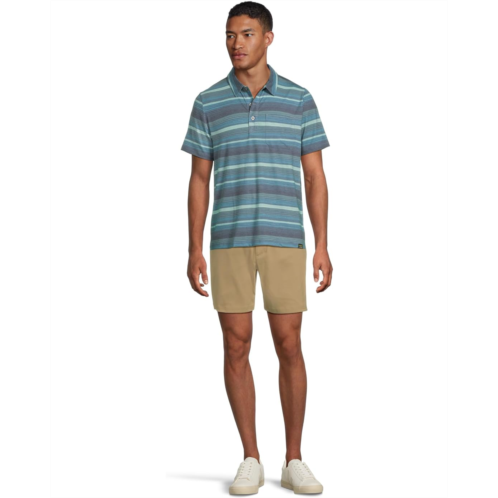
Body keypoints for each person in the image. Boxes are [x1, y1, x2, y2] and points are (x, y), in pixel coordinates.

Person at [181, 2, 332, 494]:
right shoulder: (208, 102)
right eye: (230, 35)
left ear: (268, 37)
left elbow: (315, 176)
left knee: (289, 344)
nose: (236, 43)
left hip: (285, 236)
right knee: (235, 344)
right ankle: (250, 456)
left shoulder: (299, 99)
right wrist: (193, 247)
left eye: (246, 33)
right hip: (228, 240)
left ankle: (294, 459)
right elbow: (199, 179)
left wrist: (323, 245)